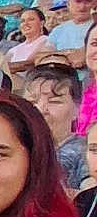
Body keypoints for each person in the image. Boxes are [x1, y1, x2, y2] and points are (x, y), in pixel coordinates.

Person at [24, 63, 87, 191]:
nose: (41, 110)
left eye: (54, 102)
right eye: (32, 102)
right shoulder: (15, 150)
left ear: (77, 109)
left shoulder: (86, 151)